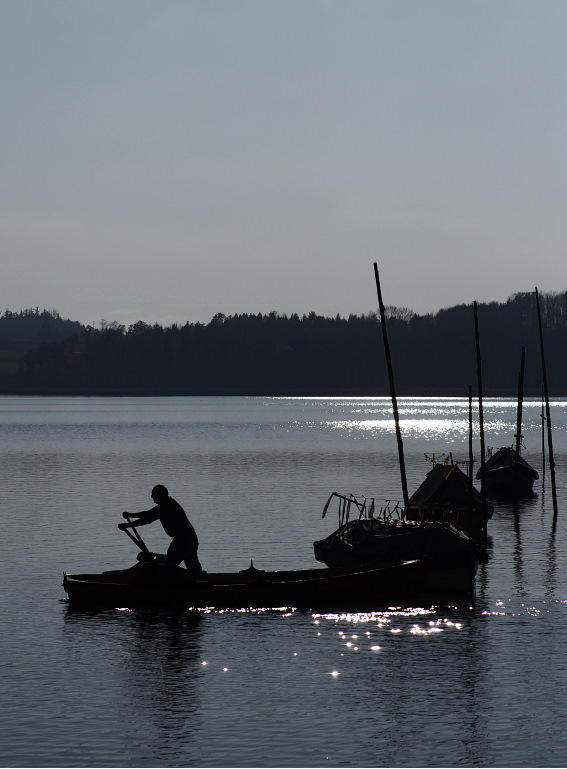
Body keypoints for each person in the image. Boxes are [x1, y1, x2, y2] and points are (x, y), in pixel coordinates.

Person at [119, 484, 203, 573]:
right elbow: (148, 514)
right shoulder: (166, 503)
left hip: (183, 540)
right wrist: (130, 515)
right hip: (190, 539)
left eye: (153, 494)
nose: (151, 496)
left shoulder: (166, 507)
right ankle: (200, 580)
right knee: (192, 567)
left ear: (160, 495)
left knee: (169, 565)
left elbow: (147, 519)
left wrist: (127, 525)